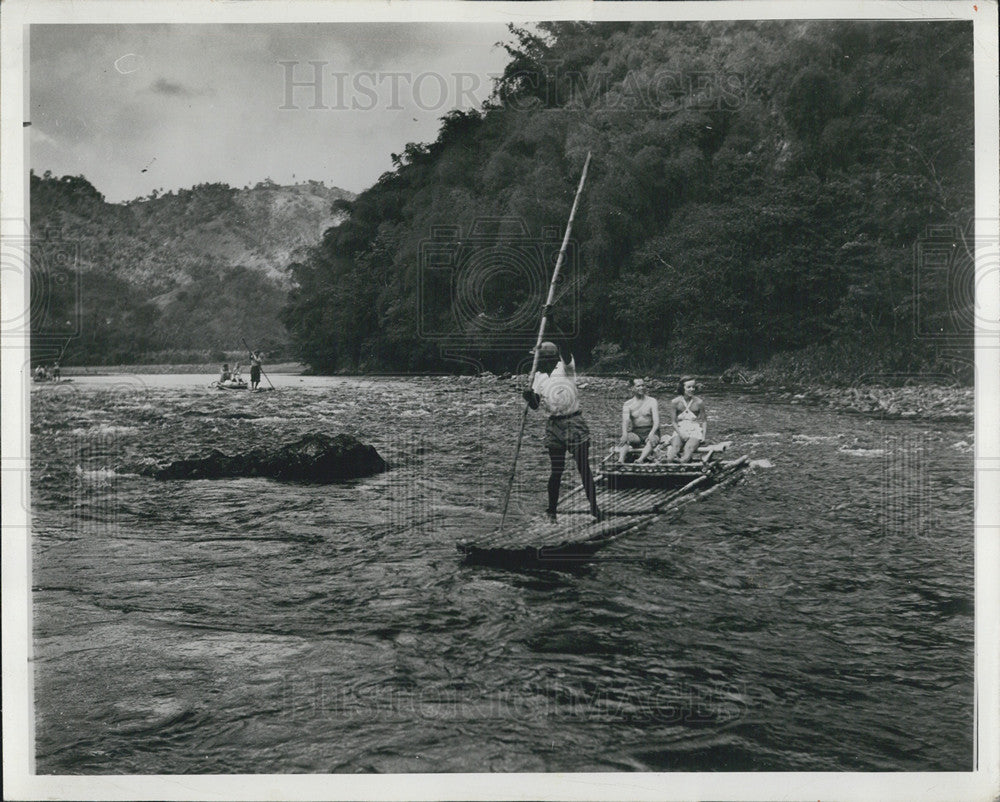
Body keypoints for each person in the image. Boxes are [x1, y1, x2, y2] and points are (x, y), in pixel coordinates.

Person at [522, 341, 602, 522]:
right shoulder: (538, 376)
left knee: (583, 468)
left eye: (539, 357)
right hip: (554, 426)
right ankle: (551, 511)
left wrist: (552, 321)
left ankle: (594, 508)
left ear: (548, 358)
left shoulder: (566, 367)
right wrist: (528, 397)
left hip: (573, 422)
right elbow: (535, 405)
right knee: (556, 470)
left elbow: (565, 346)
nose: (536, 360)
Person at [665, 376, 708, 462]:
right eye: (688, 387)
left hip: (694, 430)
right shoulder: (675, 402)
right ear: (682, 388)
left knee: (688, 448)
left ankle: (682, 462)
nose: (692, 389)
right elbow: (673, 421)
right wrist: (680, 434)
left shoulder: (699, 402)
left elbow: (704, 421)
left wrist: (703, 436)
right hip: (680, 429)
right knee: (675, 447)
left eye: (693, 387)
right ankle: (668, 461)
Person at [617, 377, 660, 463]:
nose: (641, 388)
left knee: (651, 441)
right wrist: (624, 434)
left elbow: (657, 422)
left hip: (651, 430)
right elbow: (625, 421)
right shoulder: (627, 404)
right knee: (626, 439)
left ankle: (640, 459)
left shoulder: (652, 401)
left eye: (643, 385)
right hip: (636, 432)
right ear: (632, 388)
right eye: (638, 386)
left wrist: (651, 434)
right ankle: (620, 460)